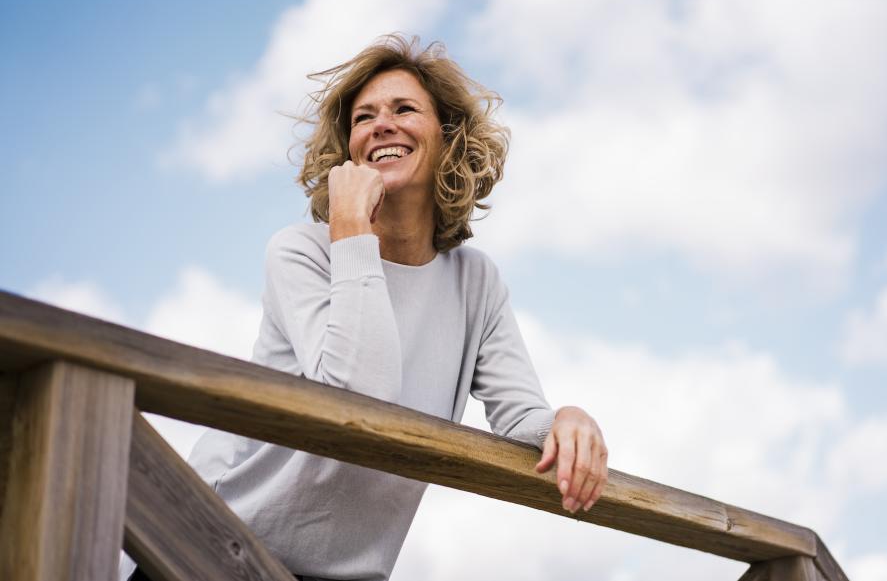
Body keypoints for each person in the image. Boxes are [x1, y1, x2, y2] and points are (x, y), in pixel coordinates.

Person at [181, 35, 608, 580]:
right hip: (207, 546)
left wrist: (567, 421)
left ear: (449, 139)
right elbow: (359, 399)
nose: (382, 124)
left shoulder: (475, 282)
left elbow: (521, 418)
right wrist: (351, 229)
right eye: (364, 117)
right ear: (349, 151)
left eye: (404, 109)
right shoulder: (301, 251)